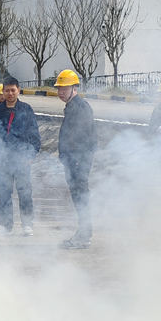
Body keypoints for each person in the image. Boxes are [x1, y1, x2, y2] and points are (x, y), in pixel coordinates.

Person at [0, 76, 41, 235]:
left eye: (13, 90)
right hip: (3, 159)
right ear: (2, 92)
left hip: (22, 158)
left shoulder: (26, 109)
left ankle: (27, 224)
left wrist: (32, 154)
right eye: (7, 91)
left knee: (25, 192)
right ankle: (5, 225)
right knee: (4, 193)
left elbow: (34, 133)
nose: (10, 93)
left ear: (18, 91)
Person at [55, 70, 97, 250]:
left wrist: (79, 160)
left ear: (74, 88)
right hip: (72, 161)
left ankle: (84, 235)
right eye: (59, 88)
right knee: (78, 197)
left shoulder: (80, 108)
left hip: (79, 161)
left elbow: (87, 137)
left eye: (64, 88)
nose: (60, 92)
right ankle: (83, 233)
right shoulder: (72, 107)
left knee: (81, 197)